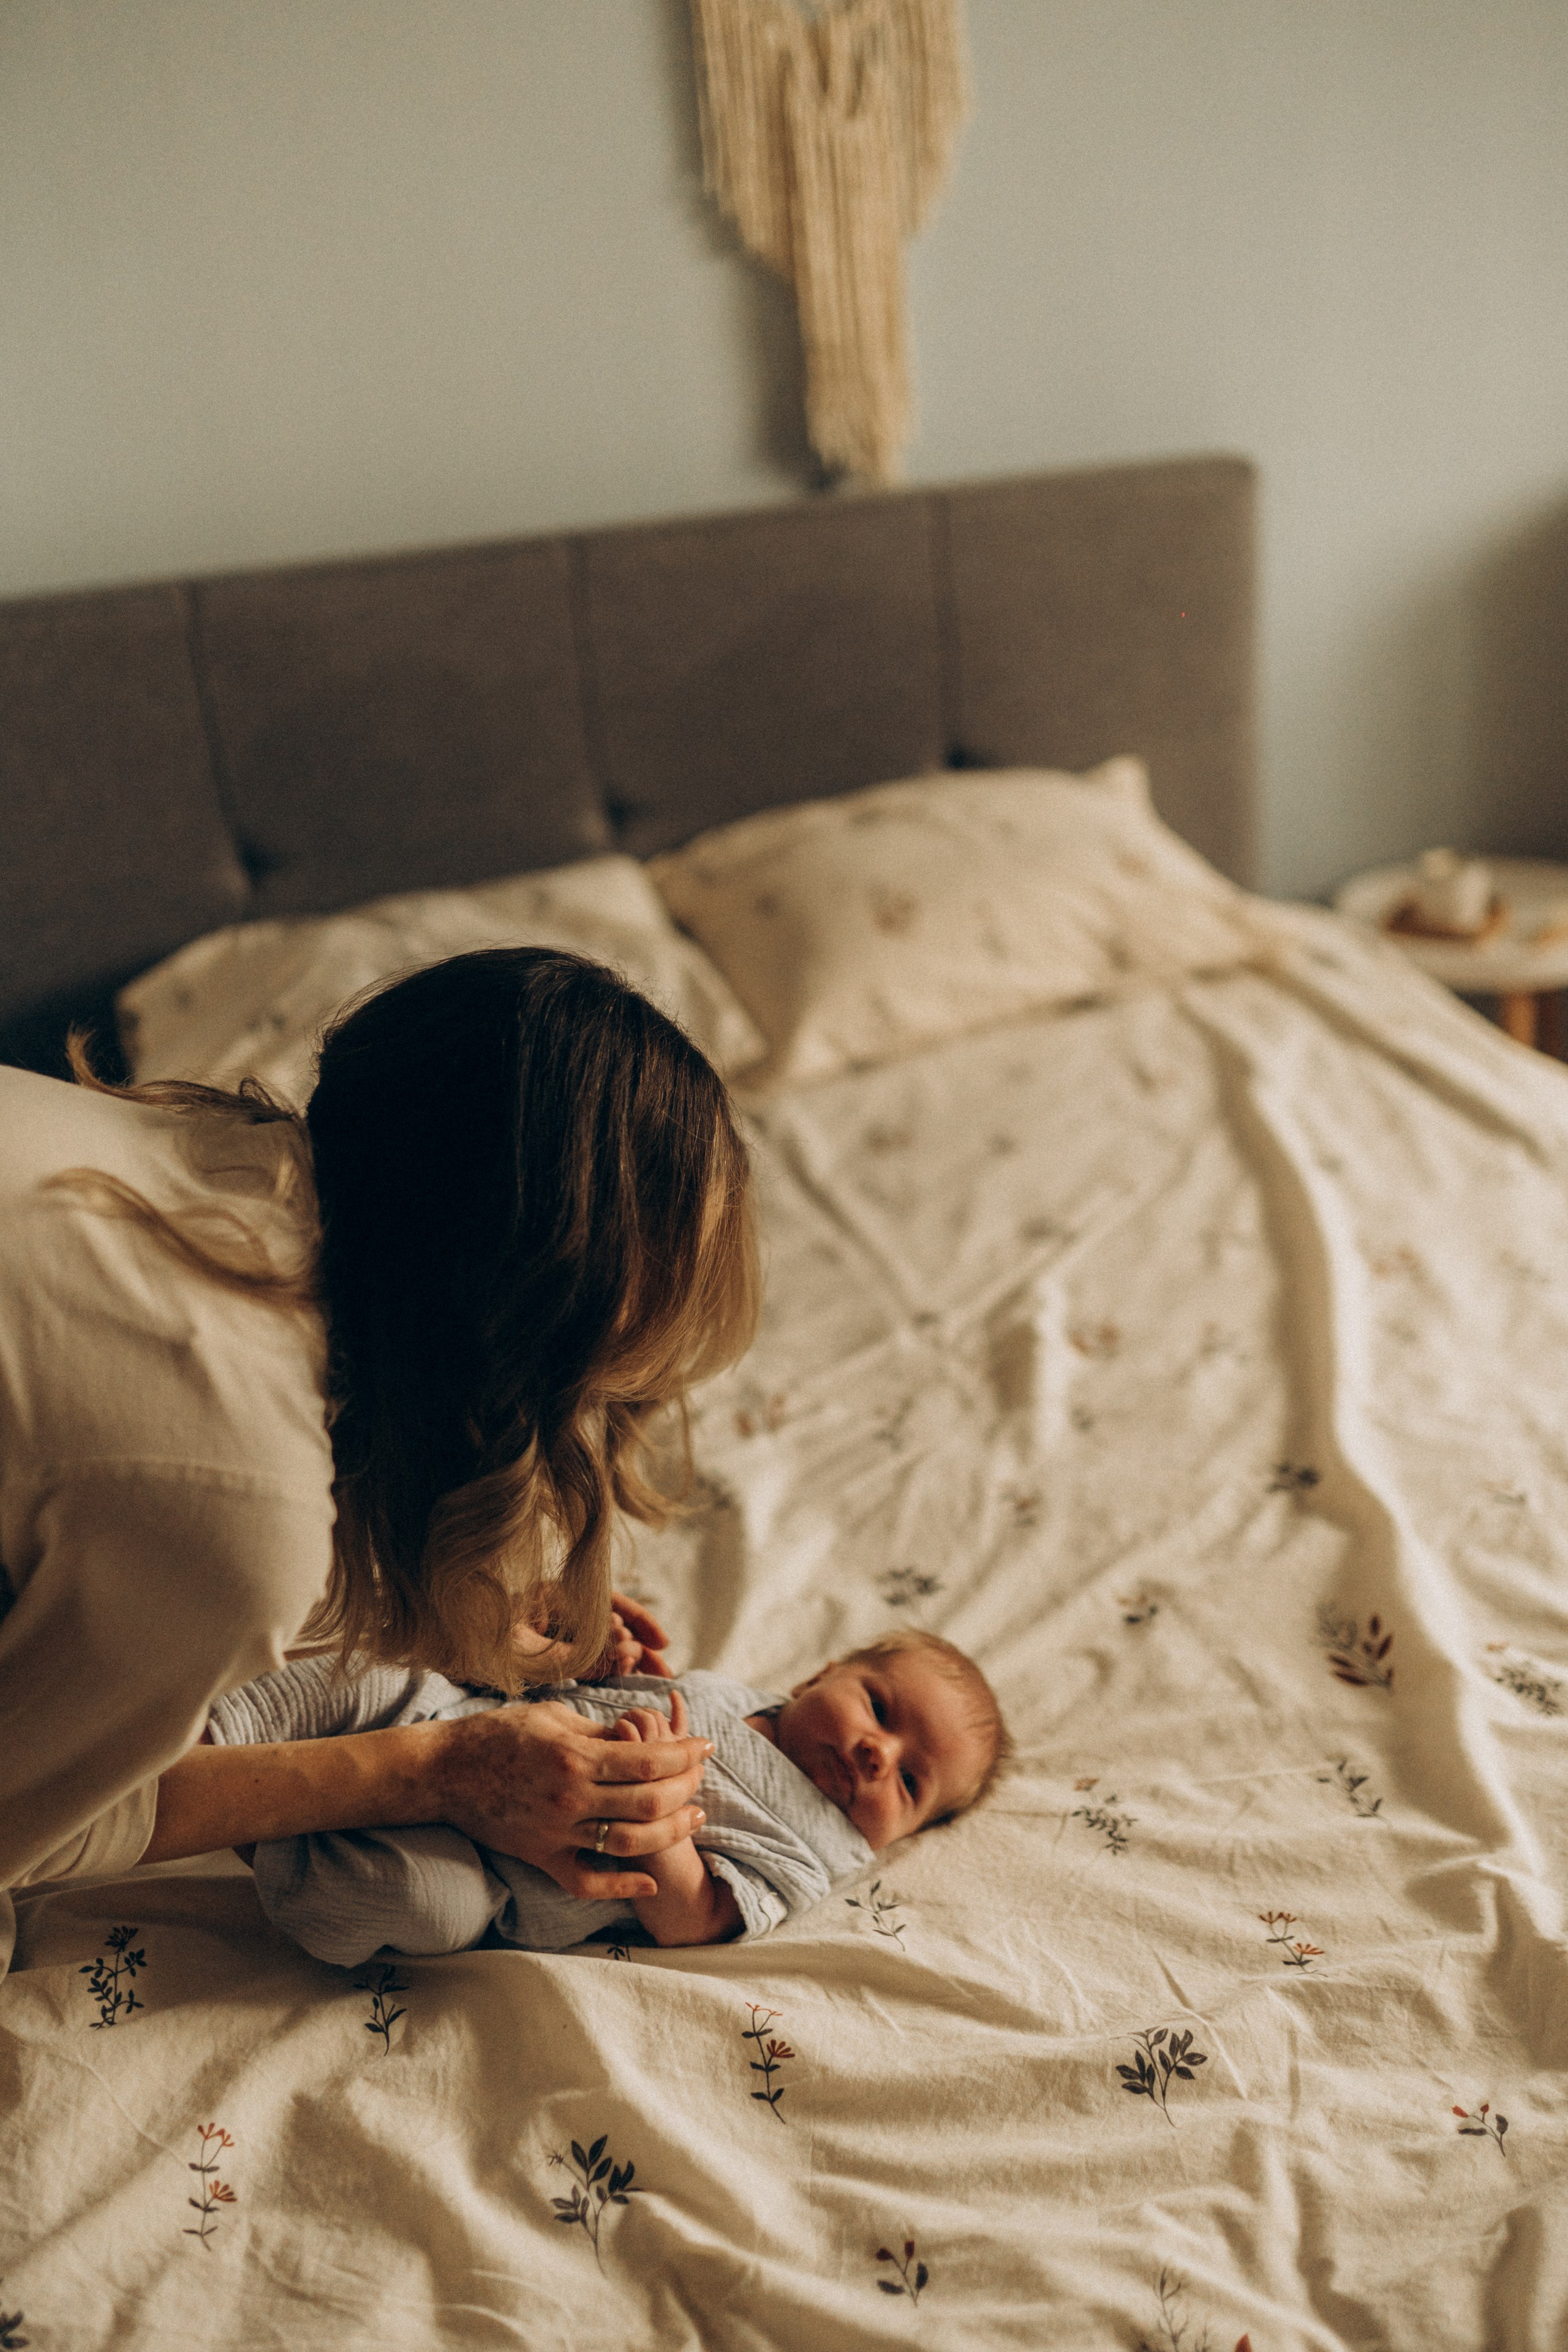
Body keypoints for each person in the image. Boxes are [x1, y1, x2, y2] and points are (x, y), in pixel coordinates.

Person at [0, 948, 758, 1912]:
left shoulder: (216, 1158)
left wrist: (445, 1605)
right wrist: (438, 1768)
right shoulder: (238, 1499)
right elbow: (32, 1820)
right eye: (589, 1393)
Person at [206, 1629, 1013, 1964]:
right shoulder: (727, 1698)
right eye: (879, 1708)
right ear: (813, 1680)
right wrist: (595, 1657)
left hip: (497, 1877)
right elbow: (587, 1688)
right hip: (468, 1725)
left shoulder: (815, 1848)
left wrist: (659, 1830)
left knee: (421, 1903)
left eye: (910, 1782)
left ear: (897, 1838)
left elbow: (697, 1919)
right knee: (385, 1676)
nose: (879, 1754)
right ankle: (222, 1731)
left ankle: (278, 1847)